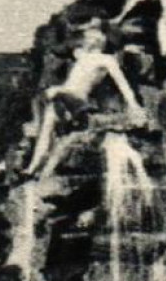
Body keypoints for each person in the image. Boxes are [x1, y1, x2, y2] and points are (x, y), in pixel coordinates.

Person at [25, 21, 146, 176]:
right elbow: (67, 47)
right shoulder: (83, 56)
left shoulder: (106, 59)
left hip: (73, 101)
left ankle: (34, 166)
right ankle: (32, 168)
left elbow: (122, 83)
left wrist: (133, 104)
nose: (90, 39)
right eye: (89, 37)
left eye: (93, 37)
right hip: (63, 101)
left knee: (48, 123)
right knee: (46, 131)